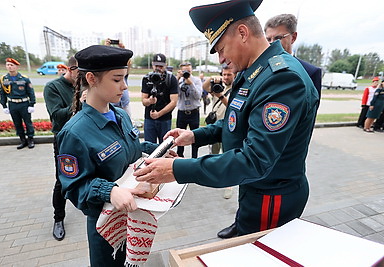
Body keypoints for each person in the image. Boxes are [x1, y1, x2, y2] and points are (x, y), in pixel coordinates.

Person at [134, 0, 319, 239]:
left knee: (260, 251)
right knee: (245, 234)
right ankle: (242, 225)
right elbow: (235, 123)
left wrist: (176, 169)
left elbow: (254, 161)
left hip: (272, 197)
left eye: (221, 48)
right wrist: (194, 135)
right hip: (254, 186)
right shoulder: (254, 71)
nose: (221, 59)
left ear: (242, 33)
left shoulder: (281, 79)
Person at [56, 45, 157, 266]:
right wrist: (110, 191)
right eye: (117, 79)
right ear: (92, 78)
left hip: (132, 218)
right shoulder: (74, 133)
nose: (124, 86)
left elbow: (131, 149)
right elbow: (73, 188)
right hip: (106, 226)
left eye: (125, 78)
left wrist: (160, 150)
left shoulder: (120, 115)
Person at [43, 56, 79, 241]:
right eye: (79, 73)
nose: (82, 78)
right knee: (62, 179)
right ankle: (58, 218)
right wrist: (78, 100)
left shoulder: (82, 85)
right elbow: (56, 116)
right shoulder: (53, 87)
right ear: (71, 69)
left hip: (84, 137)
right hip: (64, 139)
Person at [264, 13, 322, 100]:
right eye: (268, 39)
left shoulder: (310, 72)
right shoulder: (259, 68)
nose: (272, 43)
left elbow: (311, 109)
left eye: (278, 38)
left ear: (293, 37)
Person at [203, 65, 235, 199]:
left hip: (229, 127)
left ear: (234, 76)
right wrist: (211, 78)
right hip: (215, 126)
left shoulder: (237, 88)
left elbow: (233, 106)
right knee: (214, 153)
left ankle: (229, 184)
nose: (226, 77)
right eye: (224, 75)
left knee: (228, 155)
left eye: (229, 75)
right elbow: (204, 88)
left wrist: (221, 96)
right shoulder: (217, 85)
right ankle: (214, 176)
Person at [141, 53, 178, 144]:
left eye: (161, 66)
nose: (158, 68)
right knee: (149, 147)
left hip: (165, 119)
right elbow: (143, 100)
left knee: (164, 147)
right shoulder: (146, 78)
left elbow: (173, 102)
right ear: (152, 65)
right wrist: (149, 101)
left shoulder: (171, 79)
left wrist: (159, 114)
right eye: (156, 65)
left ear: (165, 65)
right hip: (149, 118)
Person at [0, 58, 36, 149]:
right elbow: (2, 93)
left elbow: (31, 92)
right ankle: (22, 140)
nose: (9, 67)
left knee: (28, 122)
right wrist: (4, 105)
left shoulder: (24, 78)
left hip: (24, 103)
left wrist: (32, 104)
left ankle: (30, 139)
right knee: (17, 123)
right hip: (12, 104)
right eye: (8, 65)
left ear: (16, 67)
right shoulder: (4, 79)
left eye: (11, 65)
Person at [176, 62, 203, 158]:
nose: (187, 73)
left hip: (193, 112)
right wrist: (178, 78)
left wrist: (191, 84)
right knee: (179, 138)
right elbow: (175, 95)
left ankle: (194, 159)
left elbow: (198, 96)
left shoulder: (196, 80)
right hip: (182, 112)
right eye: (184, 71)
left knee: (195, 138)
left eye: (189, 71)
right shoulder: (178, 81)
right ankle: (179, 158)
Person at [106, 38, 132, 117]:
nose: (124, 86)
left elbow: (128, 64)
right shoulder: (109, 72)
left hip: (124, 104)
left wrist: (123, 50)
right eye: (117, 80)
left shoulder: (123, 71)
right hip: (112, 105)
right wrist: (105, 50)